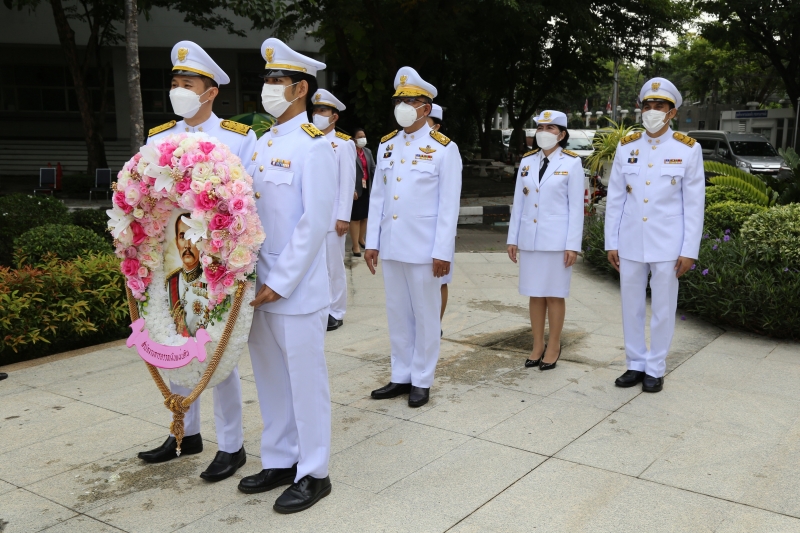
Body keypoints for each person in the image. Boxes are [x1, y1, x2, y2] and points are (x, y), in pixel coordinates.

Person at [138, 41, 256, 484]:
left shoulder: (240, 138)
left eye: (187, 84)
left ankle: (232, 446)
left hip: (217, 264)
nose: (178, 90)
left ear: (209, 92)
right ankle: (184, 432)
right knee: (173, 341)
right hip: (171, 259)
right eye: (174, 83)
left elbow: (246, 205)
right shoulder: (158, 138)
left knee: (216, 357)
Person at [240, 38, 337, 514]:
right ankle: (280, 458)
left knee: (305, 380)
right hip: (256, 283)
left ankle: (314, 471)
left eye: (276, 80)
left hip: (293, 288)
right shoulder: (262, 142)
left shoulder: (315, 145)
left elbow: (314, 222)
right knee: (270, 377)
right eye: (266, 80)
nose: (268, 88)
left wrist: (280, 281)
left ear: (300, 89)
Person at [365, 67, 462, 408]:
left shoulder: (443, 149)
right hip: (392, 246)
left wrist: (442, 251)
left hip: (424, 249)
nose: (403, 105)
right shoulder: (388, 144)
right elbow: (378, 197)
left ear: (425, 106)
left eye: (410, 100)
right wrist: (372, 242)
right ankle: (400, 375)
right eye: (400, 100)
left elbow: (449, 207)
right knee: (397, 313)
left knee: (425, 313)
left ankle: (422, 379)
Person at [605, 78, 704, 393]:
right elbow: (616, 199)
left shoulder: (688, 149)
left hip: (668, 244)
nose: (651, 111)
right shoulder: (627, 146)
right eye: (647, 105)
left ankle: (656, 367)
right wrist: (611, 242)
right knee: (630, 305)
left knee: (663, 308)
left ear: (671, 112)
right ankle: (635, 363)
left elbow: (694, 205)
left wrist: (689, 250)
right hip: (631, 241)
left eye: (659, 106)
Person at [507, 110, 584, 371]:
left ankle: (554, 345)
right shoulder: (528, 161)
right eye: (540, 127)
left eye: (550, 128)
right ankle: (537, 344)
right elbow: (519, 202)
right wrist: (513, 238)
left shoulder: (572, 163)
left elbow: (576, 209)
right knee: (535, 294)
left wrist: (573, 244)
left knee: (554, 295)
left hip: (557, 242)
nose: (543, 132)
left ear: (562, 134)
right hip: (530, 239)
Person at [311, 89, 357, 331]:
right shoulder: (309, 140)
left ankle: (336, 310)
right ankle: (319, 306)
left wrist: (343, 217)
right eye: (315, 110)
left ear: (334, 116)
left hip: (332, 219)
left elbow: (347, 183)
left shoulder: (343, 145)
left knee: (333, 266)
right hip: (311, 217)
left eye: (322, 110)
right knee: (314, 266)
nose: (317, 114)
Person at [428, 104, 454, 330]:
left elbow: (449, 200)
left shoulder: (445, 149)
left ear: (436, 125)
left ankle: (436, 323)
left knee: (440, 282)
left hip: (439, 230)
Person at [166, 215, 209, 336]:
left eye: (193, 236)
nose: (187, 245)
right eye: (182, 237)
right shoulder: (170, 282)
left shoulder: (211, 281)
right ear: (176, 242)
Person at [349, 128, 374, 257]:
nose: (363, 138)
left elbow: (373, 169)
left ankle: (361, 239)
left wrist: (376, 187)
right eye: (360, 136)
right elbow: (347, 172)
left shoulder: (367, 152)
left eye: (364, 136)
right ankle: (355, 245)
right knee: (356, 218)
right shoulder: (350, 152)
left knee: (365, 217)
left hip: (366, 188)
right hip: (355, 190)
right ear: (354, 139)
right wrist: (350, 189)